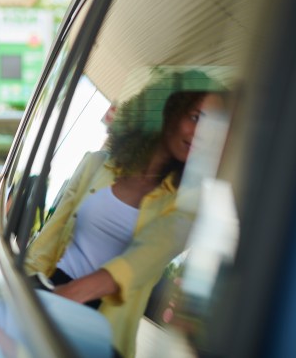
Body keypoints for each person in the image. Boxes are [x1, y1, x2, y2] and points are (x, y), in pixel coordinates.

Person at [24, 73, 224, 358]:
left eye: (214, 127)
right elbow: (46, 242)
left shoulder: (189, 204)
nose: (203, 134)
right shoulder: (96, 165)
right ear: (167, 110)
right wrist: (15, 291)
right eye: (195, 117)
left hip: (101, 327)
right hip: (48, 288)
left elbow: (140, 261)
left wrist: (66, 297)